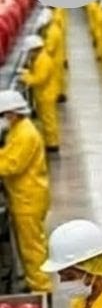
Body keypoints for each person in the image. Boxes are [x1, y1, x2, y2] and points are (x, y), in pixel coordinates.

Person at [0, 90, 50, 293]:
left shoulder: (25, 133)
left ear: (13, 113)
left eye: (4, 114)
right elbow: (8, 153)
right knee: (31, 244)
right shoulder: (18, 129)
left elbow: (12, 165)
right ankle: (35, 282)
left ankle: (41, 289)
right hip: (26, 195)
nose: (3, 118)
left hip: (28, 199)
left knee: (32, 248)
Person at [17, 34, 58, 152]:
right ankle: (49, 140)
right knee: (46, 119)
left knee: (48, 120)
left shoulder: (43, 60)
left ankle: (52, 144)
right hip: (43, 94)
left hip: (46, 95)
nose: (29, 54)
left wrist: (24, 77)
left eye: (30, 52)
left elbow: (39, 80)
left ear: (35, 49)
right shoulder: (39, 58)